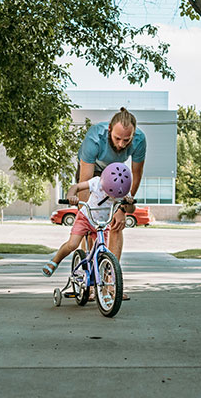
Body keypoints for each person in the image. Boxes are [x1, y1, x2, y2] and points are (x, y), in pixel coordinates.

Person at [76, 107, 146, 264]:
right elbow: (85, 182)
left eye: (126, 140)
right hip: (91, 172)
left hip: (115, 174)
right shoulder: (94, 137)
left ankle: (111, 280)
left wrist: (122, 208)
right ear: (109, 130)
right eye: (117, 138)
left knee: (116, 223)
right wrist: (86, 213)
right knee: (90, 222)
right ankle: (90, 271)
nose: (121, 144)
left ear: (133, 136)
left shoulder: (140, 140)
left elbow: (136, 175)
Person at [42, 162, 135, 277]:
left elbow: (130, 210)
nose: (113, 197)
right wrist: (71, 196)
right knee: (73, 244)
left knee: (102, 254)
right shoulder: (97, 182)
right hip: (85, 218)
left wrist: (129, 203)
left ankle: (103, 290)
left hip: (102, 225)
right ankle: (54, 261)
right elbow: (76, 187)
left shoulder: (123, 190)